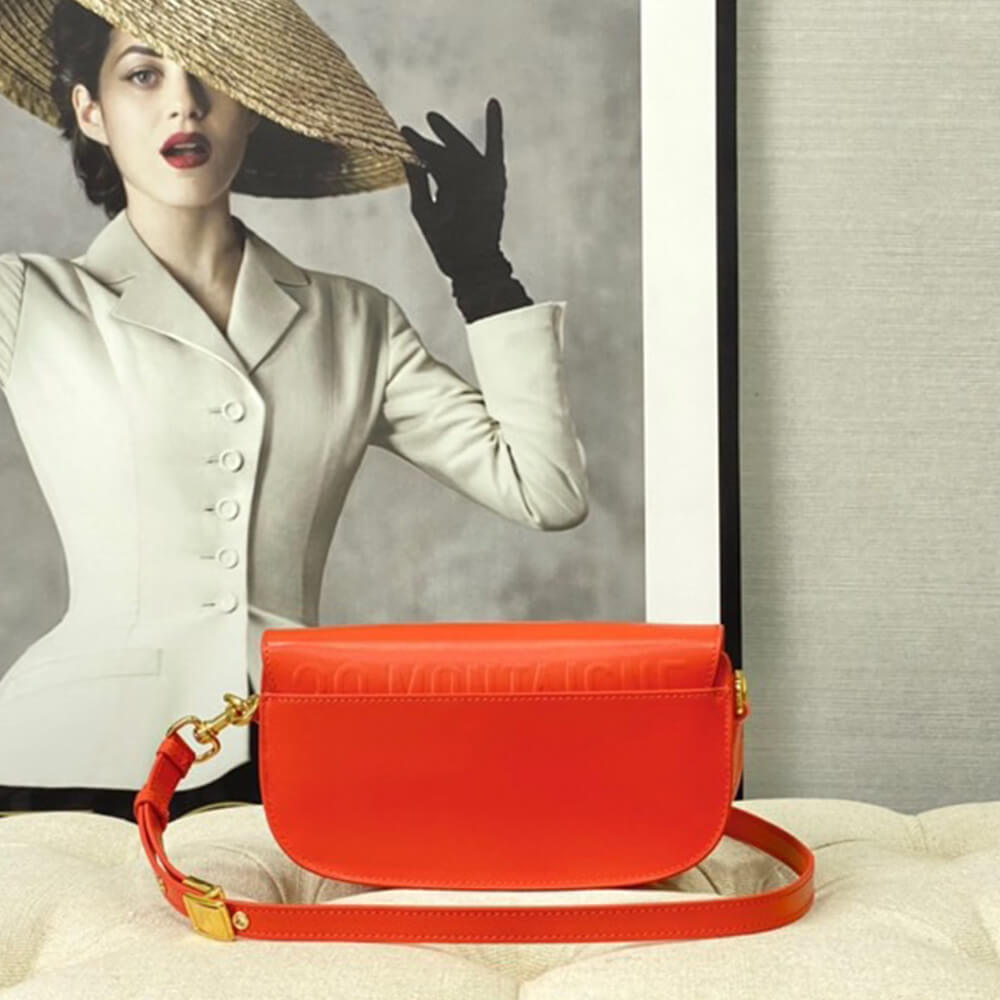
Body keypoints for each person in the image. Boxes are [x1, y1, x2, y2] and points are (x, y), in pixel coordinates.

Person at [0, 0, 589, 822]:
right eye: (143, 75)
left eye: (213, 76)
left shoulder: (355, 321)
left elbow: (545, 490)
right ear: (90, 111)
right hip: (71, 757)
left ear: (253, 108)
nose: (183, 105)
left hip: (293, 757)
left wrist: (483, 274)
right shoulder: (27, 299)